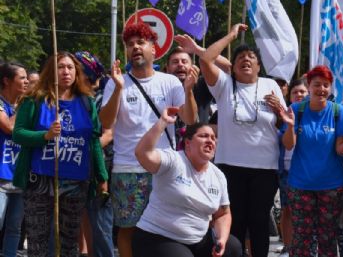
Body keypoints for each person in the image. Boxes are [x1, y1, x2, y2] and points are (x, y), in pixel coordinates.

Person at [175, 24, 285, 257]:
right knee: (235, 223)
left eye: (251, 57)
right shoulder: (225, 85)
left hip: (265, 168)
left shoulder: (271, 85)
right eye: (240, 57)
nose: (246, 60)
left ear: (258, 66)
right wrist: (232, 35)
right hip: (230, 167)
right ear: (232, 67)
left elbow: (281, 125)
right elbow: (206, 59)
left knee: (258, 223)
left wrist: (278, 113)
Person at [99, 22, 197, 257]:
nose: (135, 48)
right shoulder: (115, 82)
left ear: (154, 49)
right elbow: (105, 121)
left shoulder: (170, 82)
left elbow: (190, 119)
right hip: (127, 168)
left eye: (141, 43)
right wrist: (119, 90)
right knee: (128, 229)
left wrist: (189, 90)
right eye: (130, 44)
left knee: (165, 230)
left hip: (164, 168)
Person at [13, 52, 108, 257]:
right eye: (61, 67)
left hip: (76, 182)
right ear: (51, 71)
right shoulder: (34, 100)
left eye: (70, 67)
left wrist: (102, 176)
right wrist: (45, 135)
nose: (66, 71)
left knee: (68, 244)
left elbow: (94, 141)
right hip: (40, 180)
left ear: (77, 72)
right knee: (37, 243)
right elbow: (18, 134)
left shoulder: (86, 102)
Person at [278, 65, 343, 257]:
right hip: (300, 186)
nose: (321, 89)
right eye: (317, 84)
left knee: (327, 239)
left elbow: (339, 148)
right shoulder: (296, 110)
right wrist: (291, 127)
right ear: (309, 86)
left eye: (326, 85)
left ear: (330, 88)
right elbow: (288, 145)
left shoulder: (337, 111)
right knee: (301, 239)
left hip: (332, 187)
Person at [132, 108, 242, 257]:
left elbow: (222, 214)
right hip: (157, 236)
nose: (210, 140)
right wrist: (162, 122)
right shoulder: (173, 161)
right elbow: (142, 153)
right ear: (188, 143)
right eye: (203, 136)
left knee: (232, 247)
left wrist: (221, 239)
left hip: (197, 240)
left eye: (213, 137)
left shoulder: (218, 175)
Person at [74, 51, 115, 257]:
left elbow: (109, 132)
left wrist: (82, 146)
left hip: (99, 166)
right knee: (83, 218)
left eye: (75, 68)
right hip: (75, 165)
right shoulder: (72, 97)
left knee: (100, 223)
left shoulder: (101, 97)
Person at [0, 62, 29, 257]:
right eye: (22, 78)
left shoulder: (22, 105)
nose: (27, 81)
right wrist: (23, 106)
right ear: (6, 81)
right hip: (1, 178)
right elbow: (9, 128)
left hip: (20, 176)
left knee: (14, 229)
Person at [277, 78, 307, 257]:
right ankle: (288, 247)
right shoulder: (285, 113)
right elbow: (282, 140)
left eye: (303, 91)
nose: (299, 95)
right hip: (287, 170)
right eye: (296, 92)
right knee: (287, 209)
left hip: (307, 170)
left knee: (306, 212)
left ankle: (305, 247)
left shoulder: (314, 112)